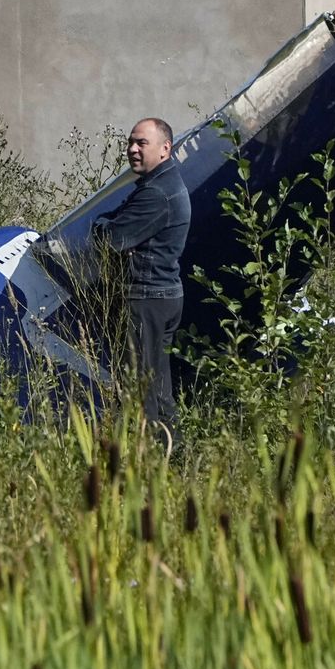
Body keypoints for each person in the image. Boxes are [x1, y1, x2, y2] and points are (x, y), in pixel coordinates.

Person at [93, 117, 191, 436]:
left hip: (148, 297)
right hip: (162, 295)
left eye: (141, 143)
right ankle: (170, 456)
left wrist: (100, 228)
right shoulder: (156, 184)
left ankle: (148, 458)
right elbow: (118, 224)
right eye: (130, 142)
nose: (133, 150)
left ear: (165, 148)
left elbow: (111, 239)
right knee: (158, 387)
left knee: (141, 387)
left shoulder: (156, 193)